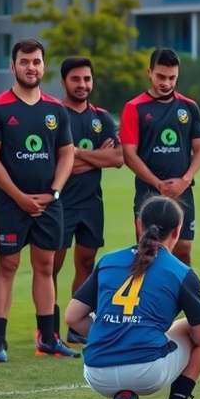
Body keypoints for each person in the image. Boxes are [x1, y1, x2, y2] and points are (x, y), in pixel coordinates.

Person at [65, 195, 200, 399]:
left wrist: (112, 334)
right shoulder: (181, 271)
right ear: (178, 230)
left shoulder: (108, 261)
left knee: (152, 336)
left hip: (96, 372)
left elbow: (72, 317)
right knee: (194, 330)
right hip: (146, 372)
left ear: (138, 224)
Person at [0, 39, 78, 362]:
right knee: (7, 265)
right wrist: (19, 197)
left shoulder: (55, 110)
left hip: (49, 204)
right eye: (25, 62)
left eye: (36, 61)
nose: (31, 67)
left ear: (43, 66)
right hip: (11, 204)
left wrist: (55, 192)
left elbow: (67, 154)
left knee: (46, 266)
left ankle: (47, 338)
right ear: (13, 65)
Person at [53, 57, 123, 345]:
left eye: (87, 79)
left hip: (91, 203)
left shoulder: (102, 118)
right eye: (76, 79)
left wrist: (74, 155)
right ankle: (48, 328)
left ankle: (76, 325)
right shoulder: (54, 115)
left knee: (86, 261)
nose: (82, 85)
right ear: (64, 82)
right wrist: (96, 157)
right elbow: (53, 164)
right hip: (59, 203)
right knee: (51, 267)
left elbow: (118, 158)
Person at [119, 48, 200, 265]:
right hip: (148, 193)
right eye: (160, 76)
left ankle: (182, 297)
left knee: (184, 249)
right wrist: (158, 184)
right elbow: (129, 155)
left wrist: (184, 181)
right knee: (148, 252)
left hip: (182, 192)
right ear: (150, 72)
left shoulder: (189, 107)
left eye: (172, 78)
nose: (166, 82)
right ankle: (148, 298)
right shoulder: (134, 108)